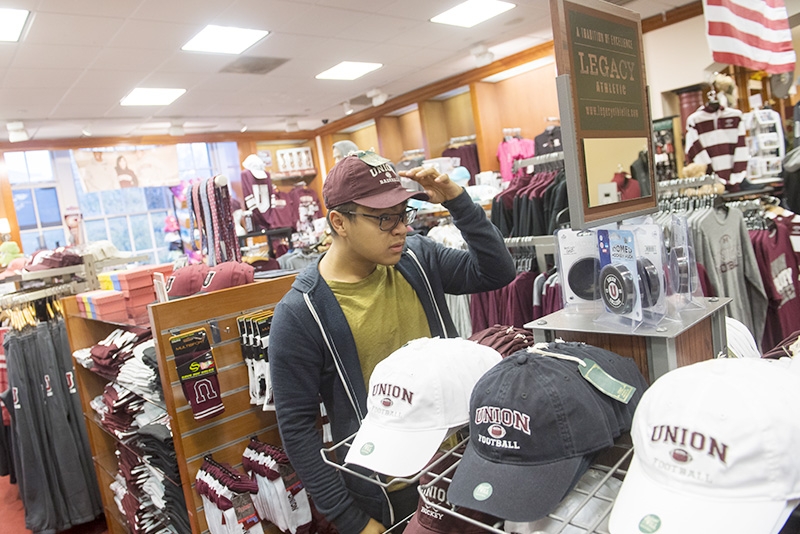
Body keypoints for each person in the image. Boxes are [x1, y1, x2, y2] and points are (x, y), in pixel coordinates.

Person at [269, 151, 515, 534]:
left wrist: (457, 200)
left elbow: (496, 271)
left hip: (462, 462)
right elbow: (298, 430)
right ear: (339, 222)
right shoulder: (301, 313)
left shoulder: (417, 258)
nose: (400, 228)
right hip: (390, 490)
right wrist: (355, 522)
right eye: (385, 218)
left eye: (404, 214)